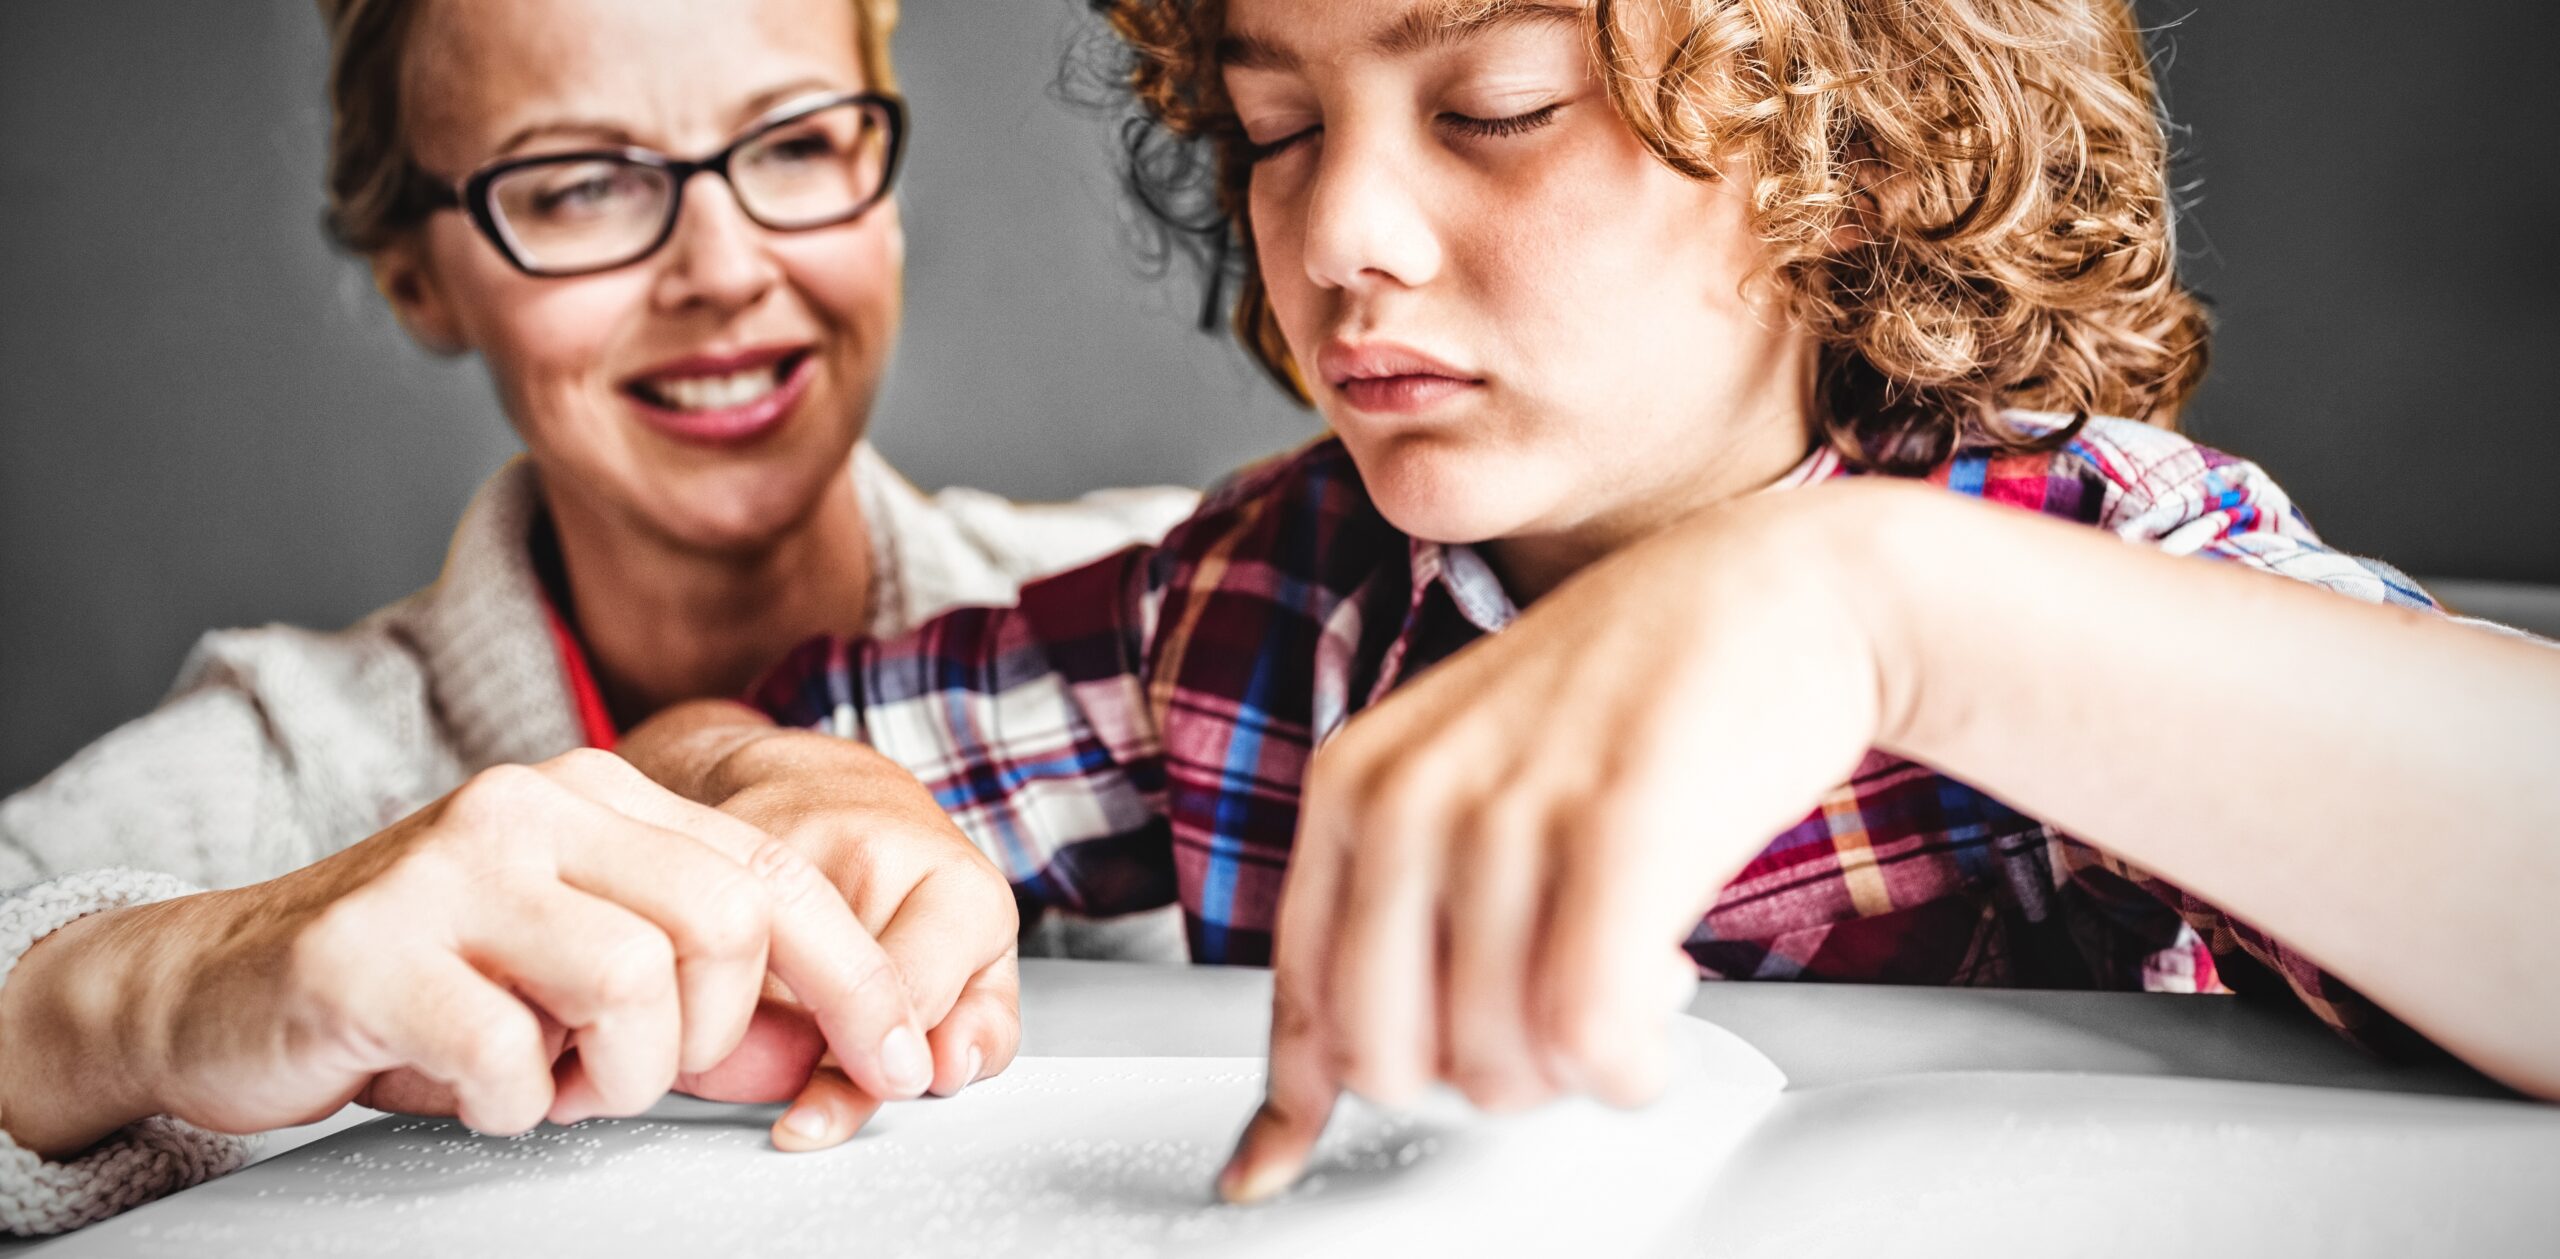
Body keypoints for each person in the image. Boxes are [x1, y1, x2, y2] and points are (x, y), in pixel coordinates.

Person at [628, 0, 2560, 1209]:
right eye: (1279, 127)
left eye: (1498, 103)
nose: (1336, 237)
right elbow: (706, 759)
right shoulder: (1254, 609)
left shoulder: (2079, 549)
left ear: (1842, 139)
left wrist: (1887, 608)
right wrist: (780, 791)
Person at [0, 0, 1193, 1236]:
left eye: (792, 143)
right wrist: (151, 993)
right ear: (416, 270)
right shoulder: (271, 776)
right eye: (579, 186)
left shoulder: (1206, 626)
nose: (726, 271)